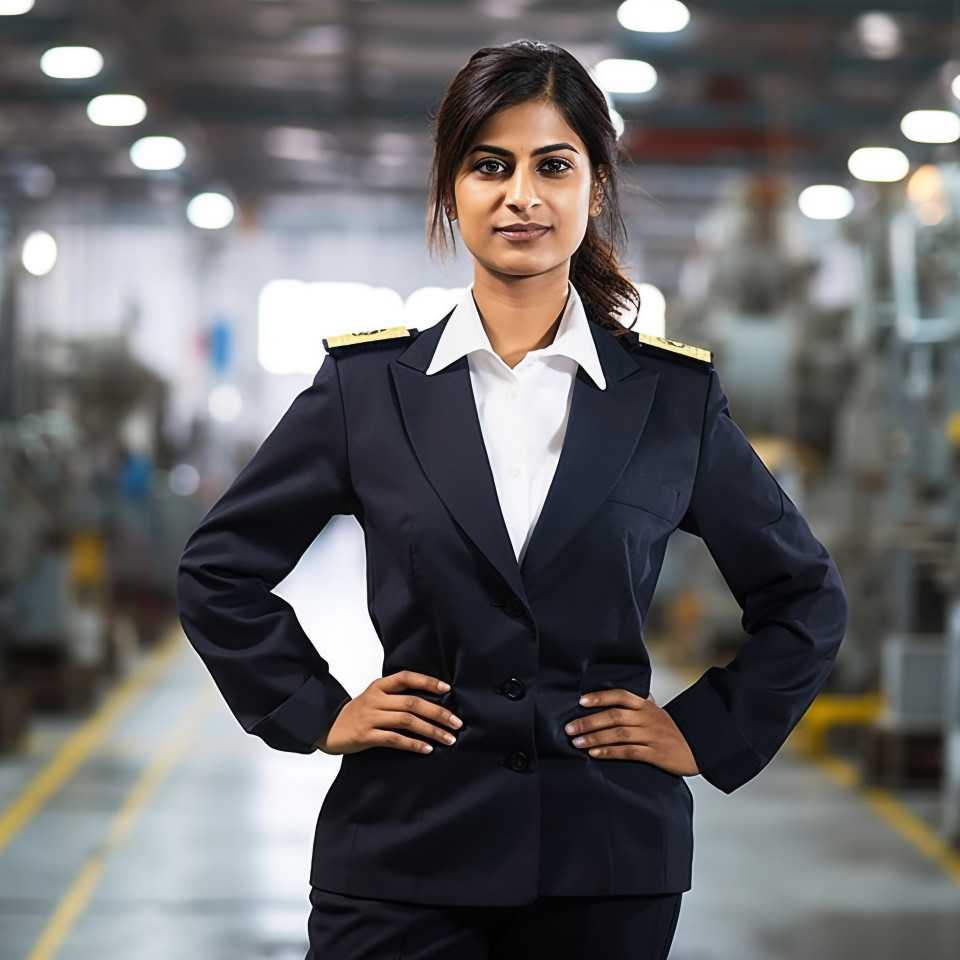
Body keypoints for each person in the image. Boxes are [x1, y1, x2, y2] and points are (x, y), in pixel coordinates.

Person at [176, 38, 848, 960]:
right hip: (403, 857)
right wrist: (317, 707)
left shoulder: (669, 401)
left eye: (553, 166)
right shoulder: (367, 391)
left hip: (605, 865)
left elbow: (805, 596)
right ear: (451, 187)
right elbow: (218, 570)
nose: (521, 195)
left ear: (594, 191)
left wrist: (707, 731)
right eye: (490, 165)